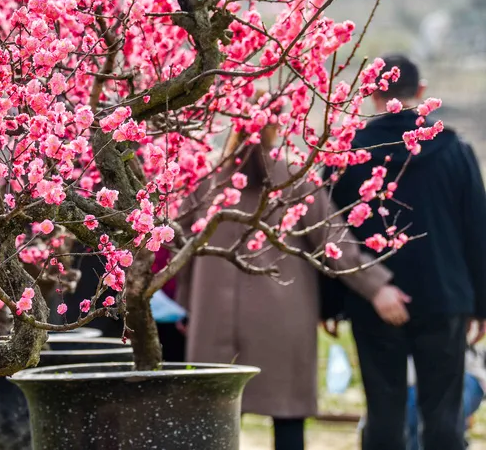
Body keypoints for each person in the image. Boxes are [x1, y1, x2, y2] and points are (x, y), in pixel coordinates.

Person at [180, 124, 409, 450]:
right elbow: (336, 244)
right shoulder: (295, 177)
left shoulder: (207, 178)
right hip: (283, 316)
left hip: (213, 315)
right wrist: (376, 286)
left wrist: (188, 304)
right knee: (287, 415)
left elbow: (181, 249)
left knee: (216, 416)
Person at [329, 54, 486, 450]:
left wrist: (328, 303)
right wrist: (482, 305)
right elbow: (478, 230)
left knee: (384, 413)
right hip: (445, 298)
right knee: (444, 417)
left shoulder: (348, 151)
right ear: (420, 92)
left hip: (371, 299)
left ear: (371, 94)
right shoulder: (455, 150)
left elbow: (328, 230)